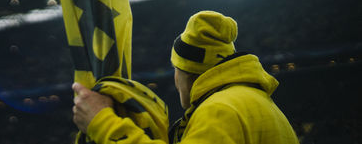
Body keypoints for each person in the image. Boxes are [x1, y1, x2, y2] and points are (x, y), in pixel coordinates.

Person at [72, 10, 299, 144]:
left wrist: (102, 122)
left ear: (184, 71)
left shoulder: (219, 110)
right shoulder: (257, 101)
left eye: (175, 69)